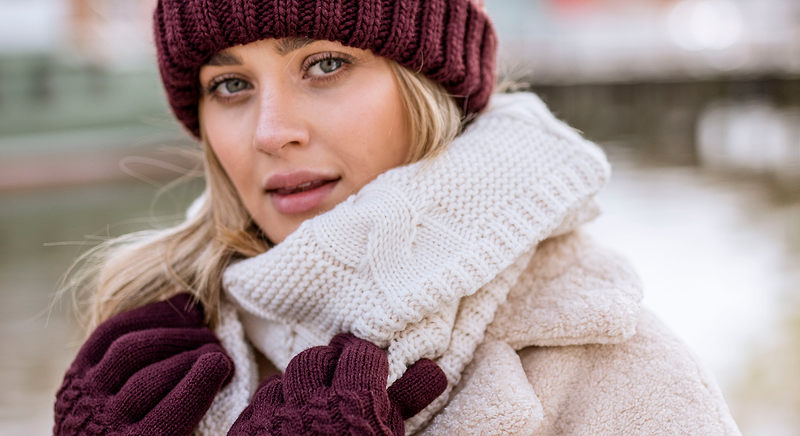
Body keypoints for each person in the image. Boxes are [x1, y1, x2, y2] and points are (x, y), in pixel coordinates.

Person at [54, 0, 743, 435]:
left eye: (324, 65)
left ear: (428, 87)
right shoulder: (146, 346)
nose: (269, 131)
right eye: (231, 84)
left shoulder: (614, 368)